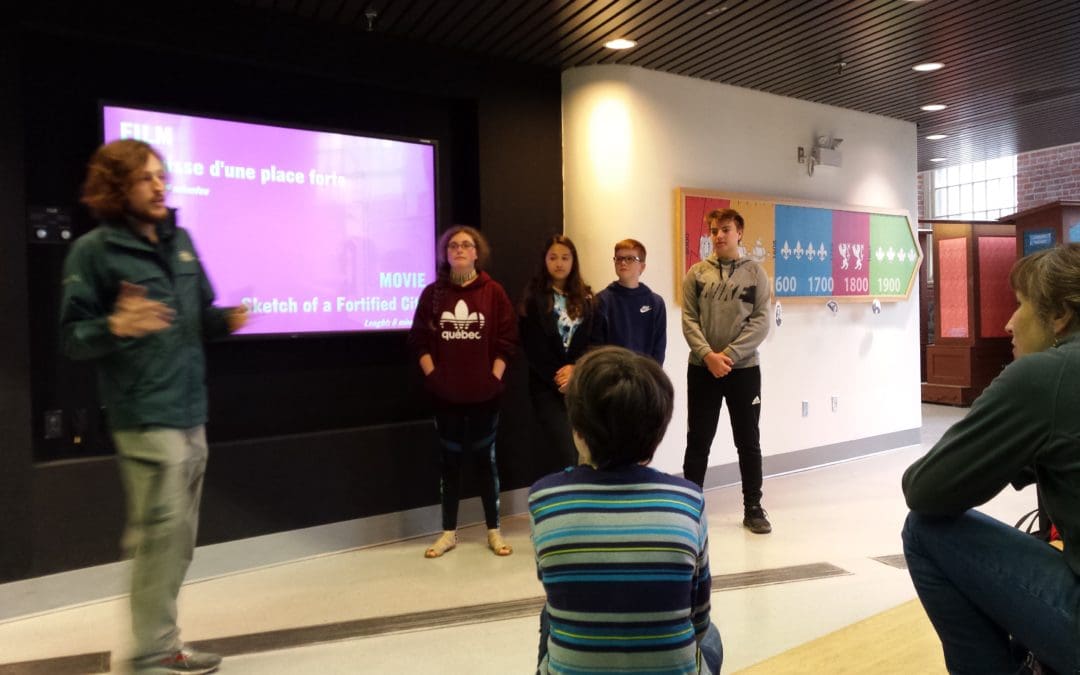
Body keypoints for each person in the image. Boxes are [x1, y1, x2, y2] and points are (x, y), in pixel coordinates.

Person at [60, 139, 248, 674]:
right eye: (147, 177)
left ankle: (162, 643)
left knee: (179, 542)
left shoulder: (181, 241)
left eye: (162, 175)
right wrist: (115, 325)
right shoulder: (94, 251)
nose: (160, 184)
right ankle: (145, 657)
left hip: (192, 411)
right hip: (143, 416)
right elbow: (72, 338)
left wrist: (227, 320)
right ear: (119, 187)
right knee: (159, 536)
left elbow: (203, 315)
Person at [902, 243, 1080, 674]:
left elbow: (925, 489)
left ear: (1058, 316)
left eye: (1020, 305)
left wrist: (1010, 393)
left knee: (924, 532)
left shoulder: (1047, 375)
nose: (1008, 323)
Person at [529, 346, 722, 675]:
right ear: (657, 432)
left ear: (577, 427)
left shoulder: (544, 498)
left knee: (551, 614)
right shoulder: (688, 499)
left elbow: (554, 582)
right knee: (712, 637)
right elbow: (699, 618)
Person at [408, 225, 518, 559]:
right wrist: (435, 377)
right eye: (453, 245)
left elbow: (507, 339)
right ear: (445, 253)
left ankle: (494, 531)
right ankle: (448, 533)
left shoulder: (493, 292)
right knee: (450, 464)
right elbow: (419, 341)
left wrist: (494, 378)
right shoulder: (432, 294)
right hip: (446, 397)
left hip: (486, 396)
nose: (458, 250)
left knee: (487, 463)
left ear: (476, 253)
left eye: (466, 245)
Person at [682, 208, 772, 534]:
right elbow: (689, 320)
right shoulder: (696, 274)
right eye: (714, 230)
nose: (719, 235)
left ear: (739, 233)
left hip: (743, 370)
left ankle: (753, 507)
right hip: (702, 369)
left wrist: (729, 356)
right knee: (698, 440)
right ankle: (690, 508)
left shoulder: (755, 274)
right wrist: (708, 356)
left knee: (748, 442)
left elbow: (761, 322)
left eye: (726, 230)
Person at [519, 234, 596, 471]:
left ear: (574, 261)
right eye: (553, 257)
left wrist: (576, 370)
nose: (559, 263)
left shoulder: (587, 297)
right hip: (547, 388)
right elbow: (534, 350)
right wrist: (560, 380)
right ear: (545, 261)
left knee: (589, 452)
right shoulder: (534, 300)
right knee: (564, 453)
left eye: (565, 257)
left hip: (580, 384)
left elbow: (593, 341)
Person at [591, 238, 667, 364]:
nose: (623, 263)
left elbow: (658, 350)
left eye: (630, 259)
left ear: (642, 267)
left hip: (645, 378)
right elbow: (596, 349)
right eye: (619, 258)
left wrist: (651, 379)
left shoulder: (655, 303)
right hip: (611, 378)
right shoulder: (602, 301)